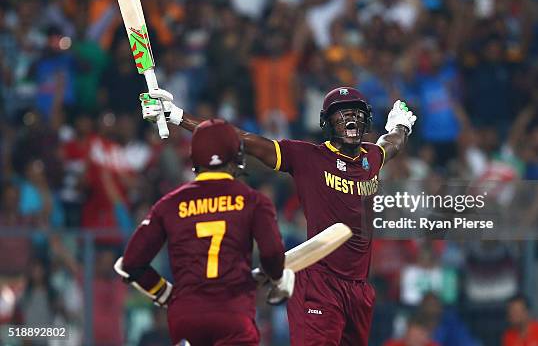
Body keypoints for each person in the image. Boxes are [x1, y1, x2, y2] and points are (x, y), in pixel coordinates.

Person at [140, 86, 417, 345]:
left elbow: (392, 142)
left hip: (359, 289)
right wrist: (177, 116)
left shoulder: (371, 157)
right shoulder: (307, 156)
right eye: (341, 114)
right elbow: (241, 140)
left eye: (356, 113)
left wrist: (401, 126)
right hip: (318, 284)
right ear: (327, 123)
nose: (351, 119)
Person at [114, 119, 293, 345]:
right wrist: (278, 279)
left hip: (186, 317)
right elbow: (271, 254)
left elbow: (130, 263)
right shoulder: (253, 201)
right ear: (236, 155)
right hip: (232, 313)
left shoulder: (169, 204)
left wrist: (165, 293)